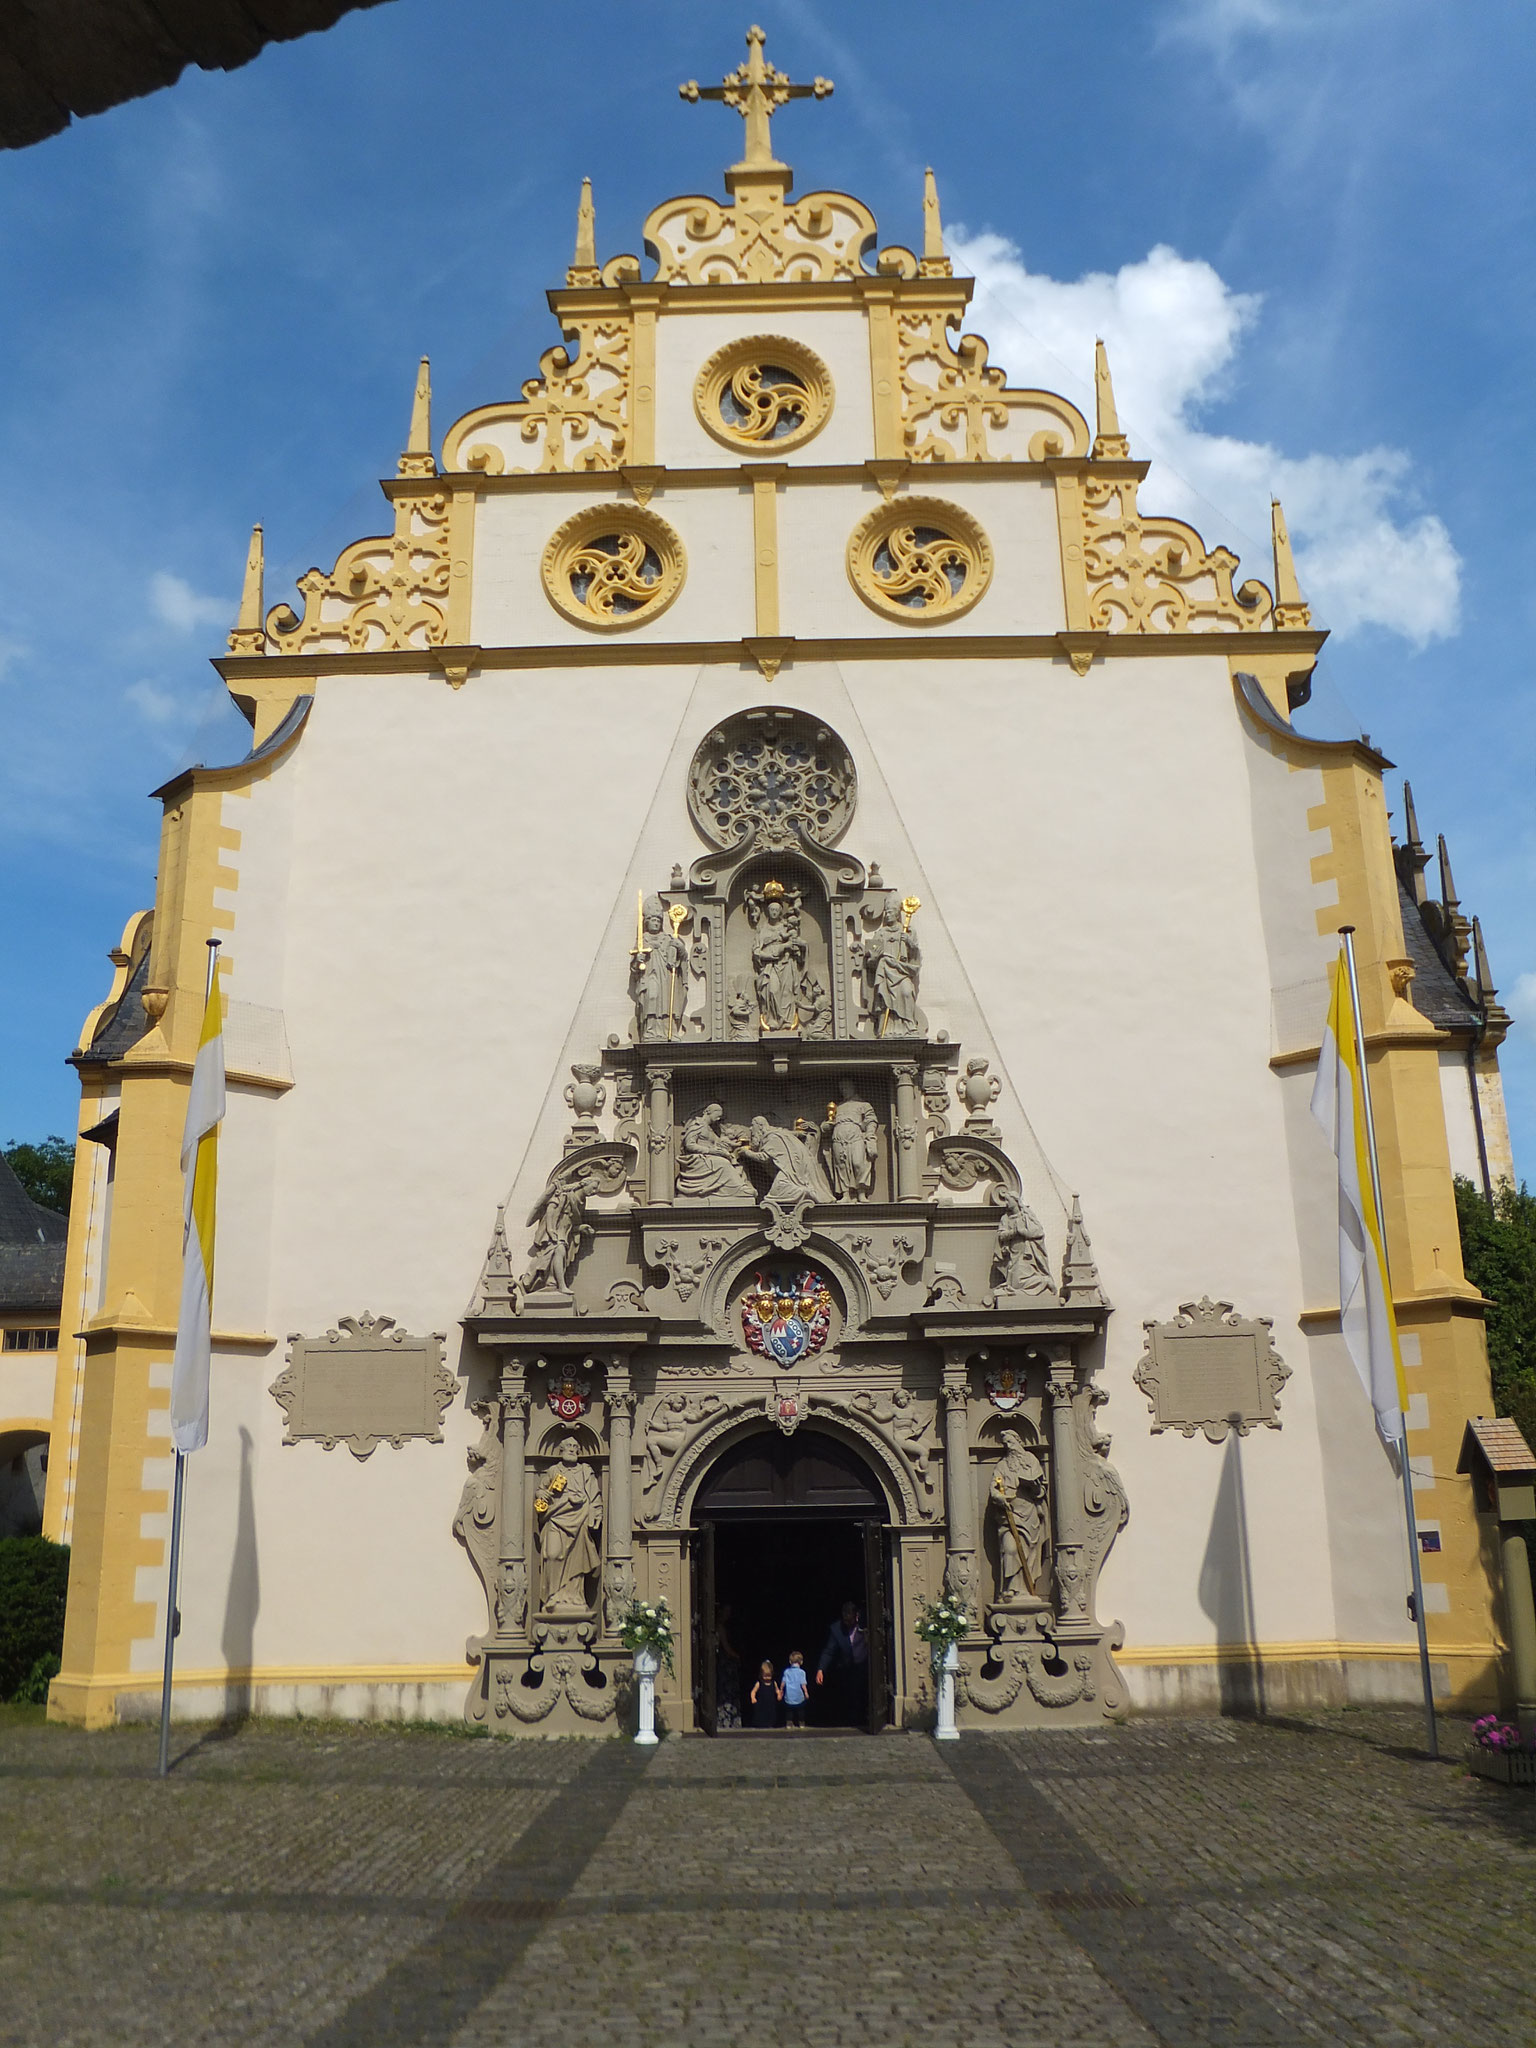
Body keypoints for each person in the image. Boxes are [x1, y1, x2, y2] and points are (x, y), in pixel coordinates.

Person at [816, 1599, 869, 1726]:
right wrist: (820, 1669)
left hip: (866, 1664)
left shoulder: (867, 1621)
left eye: (850, 1620)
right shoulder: (837, 1629)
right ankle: (853, 1719)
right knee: (852, 1694)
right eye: (845, 1621)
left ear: (856, 1616)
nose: (847, 1623)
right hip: (848, 1666)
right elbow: (829, 1651)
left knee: (865, 1692)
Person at [716, 1603, 742, 1729]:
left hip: (725, 1663)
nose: (728, 1614)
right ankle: (726, 1720)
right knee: (726, 1693)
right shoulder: (720, 1627)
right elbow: (726, 1647)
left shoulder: (723, 1626)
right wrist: (736, 1656)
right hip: (725, 1664)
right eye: (726, 1611)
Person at [780, 1650, 810, 1730]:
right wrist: (806, 1693)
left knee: (789, 1710)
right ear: (801, 1662)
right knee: (800, 1710)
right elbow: (803, 1684)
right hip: (799, 1695)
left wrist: (781, 1690)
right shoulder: (802, 1672)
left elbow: (783, 1683)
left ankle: (789, 1724)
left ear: (790, 1661)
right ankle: (801, 1723)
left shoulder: (786, 1672)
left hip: (789, 1695)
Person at [749, 1658, 781, 1730]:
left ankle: (770, 1724)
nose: (767, 1678)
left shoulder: (773, 1683)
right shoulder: (759, 1683)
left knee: (771, 1715)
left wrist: (779, 1695)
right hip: (761, 1704)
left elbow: (777, 1690)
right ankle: (761, 1724)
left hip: (770, 1704)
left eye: (769, 1676)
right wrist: (753, 1698)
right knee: (761, 1715)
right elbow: (753, 1691)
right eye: (765, 1676)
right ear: (761, 1674)